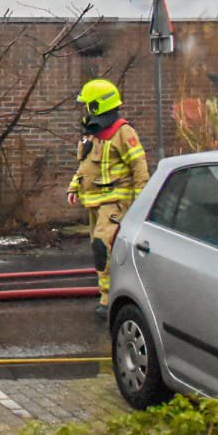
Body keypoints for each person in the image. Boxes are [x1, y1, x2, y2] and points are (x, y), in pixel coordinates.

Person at [67, 79, 150, 320]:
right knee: (99, 250)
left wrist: (140, 205)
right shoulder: (92, 135)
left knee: (103, 246)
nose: (84, 110)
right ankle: (108, 292)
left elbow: (140, 168)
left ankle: (108, 297)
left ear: (97, 106)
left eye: (87, 105)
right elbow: (83, 167)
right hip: (93, 203)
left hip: (115, 202)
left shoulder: (123, 132)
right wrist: (74, 187)